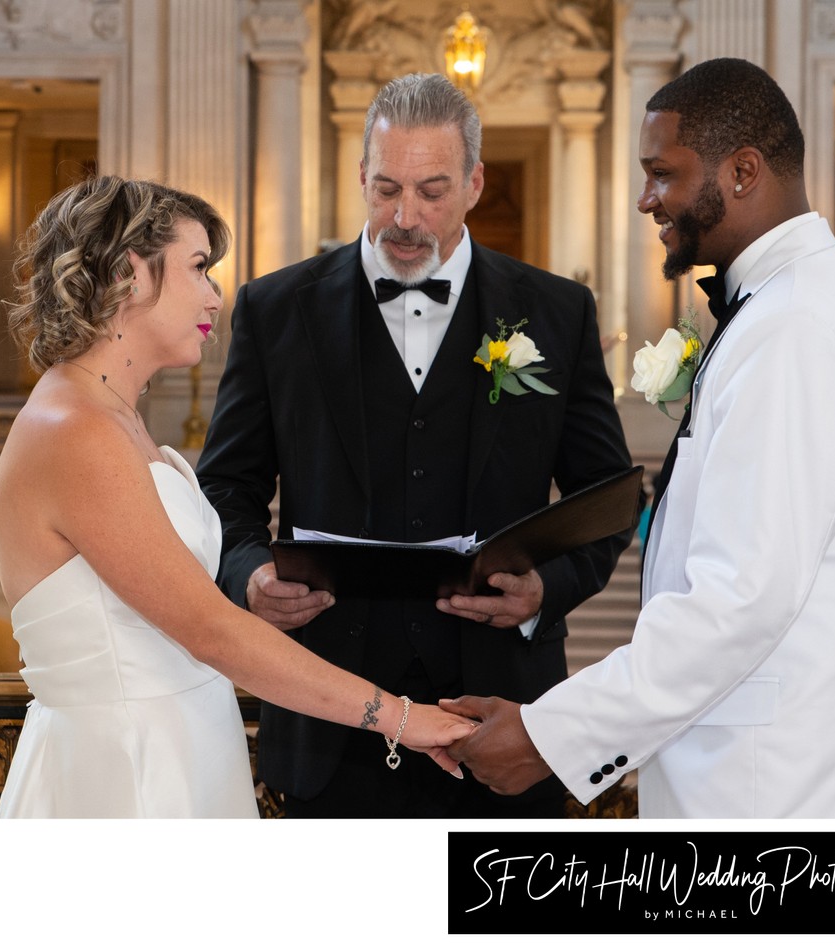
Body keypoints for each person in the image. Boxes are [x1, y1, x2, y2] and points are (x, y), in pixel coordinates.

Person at [443, 58, 835, 818]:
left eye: (662, 173)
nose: (647, 199)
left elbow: (738, 600)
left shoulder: (799, 329)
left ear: (743, 171)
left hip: (793, 805)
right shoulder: (787, 309)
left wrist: (550, 736)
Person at [195, 72, 633, 818]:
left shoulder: (557, 312)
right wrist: (250, 574)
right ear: (362, 176)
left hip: (501, 726)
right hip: (326, 715)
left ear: (474, 182)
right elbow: (224, 488)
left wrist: (544, 593)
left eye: (431, 191)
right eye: (386, 187)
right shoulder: (275, 310)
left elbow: (608, 497)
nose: (404, 216)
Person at [0, 175, 472, 818]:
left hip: (184, 747)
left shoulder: (115, 416)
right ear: (132, 271)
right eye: (198, 268)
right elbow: (211, 631)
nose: (216, 296)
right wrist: (400, 718)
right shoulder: (74, 430)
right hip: (127, 775)